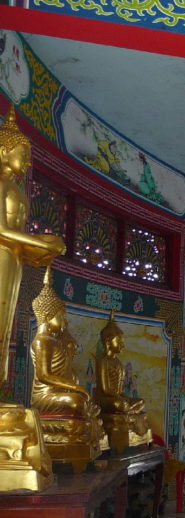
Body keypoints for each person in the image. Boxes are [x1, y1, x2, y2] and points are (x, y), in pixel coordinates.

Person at [0, 106, 65, 385]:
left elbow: (15, 234)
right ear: (4, 151)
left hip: (13, 258)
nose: (27, 163)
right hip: (2, 255)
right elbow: (2, 230)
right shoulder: (1, 185)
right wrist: (37, 241)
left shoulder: (17, 189)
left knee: (6, 325)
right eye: (23, 155)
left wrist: (40, 251)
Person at [30, 267, 105, 470]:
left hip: (60, 393)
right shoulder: (42, 341)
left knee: (86, 403)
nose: (65, 321)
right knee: (77, 401)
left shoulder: (57, 340)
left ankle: (87, 437)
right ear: (47, 316)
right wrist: (77, 389)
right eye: (61, 316)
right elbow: (44, 375)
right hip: (44, 396)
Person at [94, 311, 152, 451]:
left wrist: (124, 398)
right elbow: (106, 389)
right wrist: (121, 399)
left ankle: (129, 412)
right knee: (120, 404)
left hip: (119, 399)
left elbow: (120, 389)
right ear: (108, 342)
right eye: (119, 341)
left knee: (140, 402)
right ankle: (127, 411)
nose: (122, 345)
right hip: (106, 399)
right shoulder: (103, 362)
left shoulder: (118, 363)